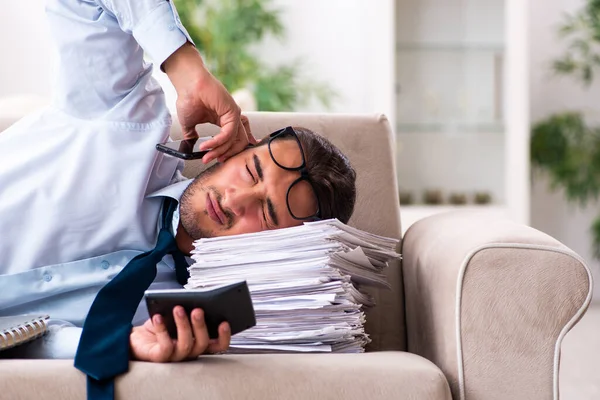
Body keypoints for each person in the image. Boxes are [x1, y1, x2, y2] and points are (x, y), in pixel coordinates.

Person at [0, 0, 356, 363]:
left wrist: (121, 342)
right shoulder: (120, 121)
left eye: (265, 213)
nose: (235, 200)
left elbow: (32, 338)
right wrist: (189, 71)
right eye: (251, 171)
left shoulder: (181, 318)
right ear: (237, 148)